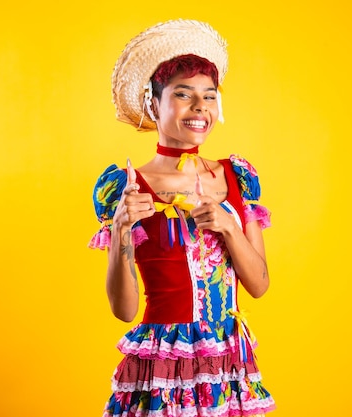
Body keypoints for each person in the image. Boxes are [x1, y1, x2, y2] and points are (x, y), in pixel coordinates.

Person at [89, 19, 275, 417]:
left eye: (209, 97)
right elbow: (124, 310)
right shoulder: (128, 187)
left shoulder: (236, 176)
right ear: (153, 104)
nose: (200, 108)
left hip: (228, 363)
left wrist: (228, 226)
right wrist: (121, 228)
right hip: (164, 365)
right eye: (184, 94)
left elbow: (258, 285)